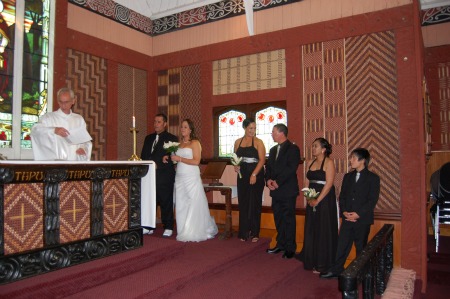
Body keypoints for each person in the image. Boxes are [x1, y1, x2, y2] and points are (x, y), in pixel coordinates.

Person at [320, 148, 380, 279]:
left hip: (362, 220)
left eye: (353, 158)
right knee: (342, 245)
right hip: (347, 218)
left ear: (362, 160)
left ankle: (360, 273)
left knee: (361, 248)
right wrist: (345, 212)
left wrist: (358, 214)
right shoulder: (348, 176)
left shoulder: (373, 178)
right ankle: (336, 269)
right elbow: (342, 197)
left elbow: (372, 200)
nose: (351, 160)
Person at [170, 119, 218, 242]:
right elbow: (176, 159)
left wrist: (179, 158)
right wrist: (171, 159)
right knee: (181, 203)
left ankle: (193, 230)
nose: (182, 129)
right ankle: (183, 229)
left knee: (193, 202)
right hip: (180, 176)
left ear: (190, 130)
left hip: (191, 176)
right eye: (182, 127)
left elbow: (196, 161)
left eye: (185, 127)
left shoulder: (195, 143)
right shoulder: (179, 144)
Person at [297, 138, 338, 273]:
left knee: (323, 229)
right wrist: (309, 197)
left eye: (315, 146)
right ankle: (312, 259)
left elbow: (329, 184)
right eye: (312, 146)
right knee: (312, 228)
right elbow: (306, 183)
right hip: (312, 199)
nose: (312, 148)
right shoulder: (310, 162)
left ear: (323, 149)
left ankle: (322, 263)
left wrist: (317, 200)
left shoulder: (329, 163)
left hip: (325, 200)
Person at [265, 124, 300, 259]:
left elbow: (291, 168)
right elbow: (268, 168)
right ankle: (281, 244)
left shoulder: (293, 149)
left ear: (281, 133)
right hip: (275, 190)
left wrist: (277, 182)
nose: (271, 134)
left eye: (273, 132)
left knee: (288, 219)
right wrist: (268, 180)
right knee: (278, 218)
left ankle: (290, 248)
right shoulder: (273, 150)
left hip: (287, 190)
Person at [141, 113, 178, 237]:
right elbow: (143, 156)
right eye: (154, 121)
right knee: (150, 200)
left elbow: (172, 159)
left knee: (165, 200)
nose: (155, 124)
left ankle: (168, 226)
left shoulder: (172, 138)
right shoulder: (148, 138)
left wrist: (158, 165)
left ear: (165, 124)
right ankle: (149, 225)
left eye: (158, 122)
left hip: (164, 175)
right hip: (149, 175)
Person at [31, 87, 92, 161]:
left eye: (66, 102)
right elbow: (35, 130)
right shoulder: (48, 118)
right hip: (55, 164)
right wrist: (54, 130)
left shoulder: (79, 119)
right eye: (61, 102)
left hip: (74, 162)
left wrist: (83, 149)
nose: (63, 105)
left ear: (73, 101)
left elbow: (85, 141)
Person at [234, 118, 266, 242]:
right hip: (242, 173)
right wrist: (236, 166)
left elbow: (262, 160)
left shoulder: (259, 142)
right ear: (245, 128)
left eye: (254, 128)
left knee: (254, 202)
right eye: (250, 128)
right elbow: (235, 158)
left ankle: (255, 232)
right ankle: (243, 232)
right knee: (243, 202)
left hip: (255, 172)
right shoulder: (237, 142)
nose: (253, 131)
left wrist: (254, 174)